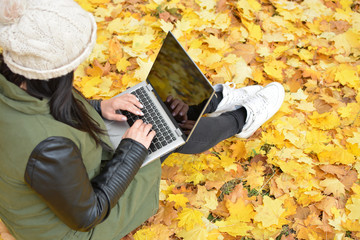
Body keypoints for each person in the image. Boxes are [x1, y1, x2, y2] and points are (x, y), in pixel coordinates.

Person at [0, 0, 285, 239]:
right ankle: (241, 120)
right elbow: (88, 214)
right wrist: (132, 151)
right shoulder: (49, 148)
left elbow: (43, 112)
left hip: (57, 182)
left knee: (145, 114)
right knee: (164, 136)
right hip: (66, 228)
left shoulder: (19, 80)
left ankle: (212, 100)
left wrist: (100, 107)